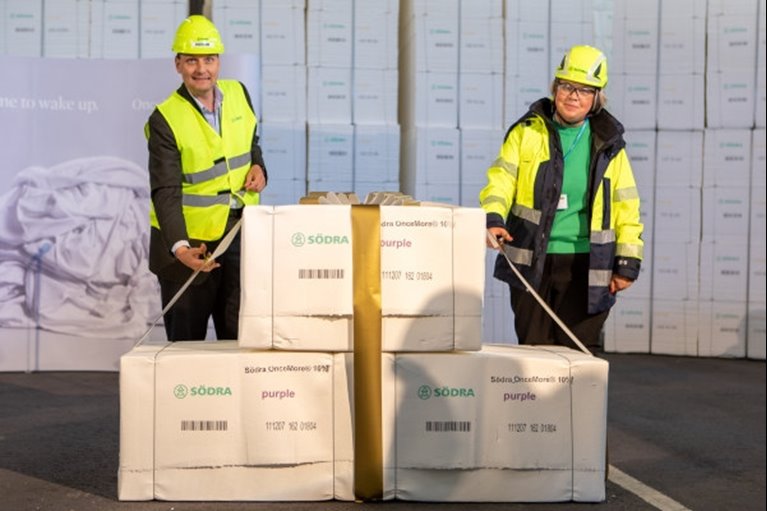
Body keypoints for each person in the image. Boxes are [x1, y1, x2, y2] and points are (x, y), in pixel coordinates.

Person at [479, 44, 643, 352]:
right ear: (556, 88)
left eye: (584, 90)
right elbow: (500, 180)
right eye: (567, 86)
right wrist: (493, 218)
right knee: (535, 354)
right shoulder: (528, 132)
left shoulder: (608, 144)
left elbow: (626, 205)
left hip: (588, 263)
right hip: (533, 261)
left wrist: (627, 261)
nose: (573, 95)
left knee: (578, 356)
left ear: (596, 98)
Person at [145, 15, 267, 341]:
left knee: (239, 338)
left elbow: (251, 144)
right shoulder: (165, 118)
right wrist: (180, 248)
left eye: (209, 59)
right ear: (178, 65)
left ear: (219, 61)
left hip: (239, 234)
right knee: (186, 347)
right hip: (190, 247)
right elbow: (165, 190)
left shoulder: (238, 93)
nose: (202, 69)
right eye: (192, 61)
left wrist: (259, 167)